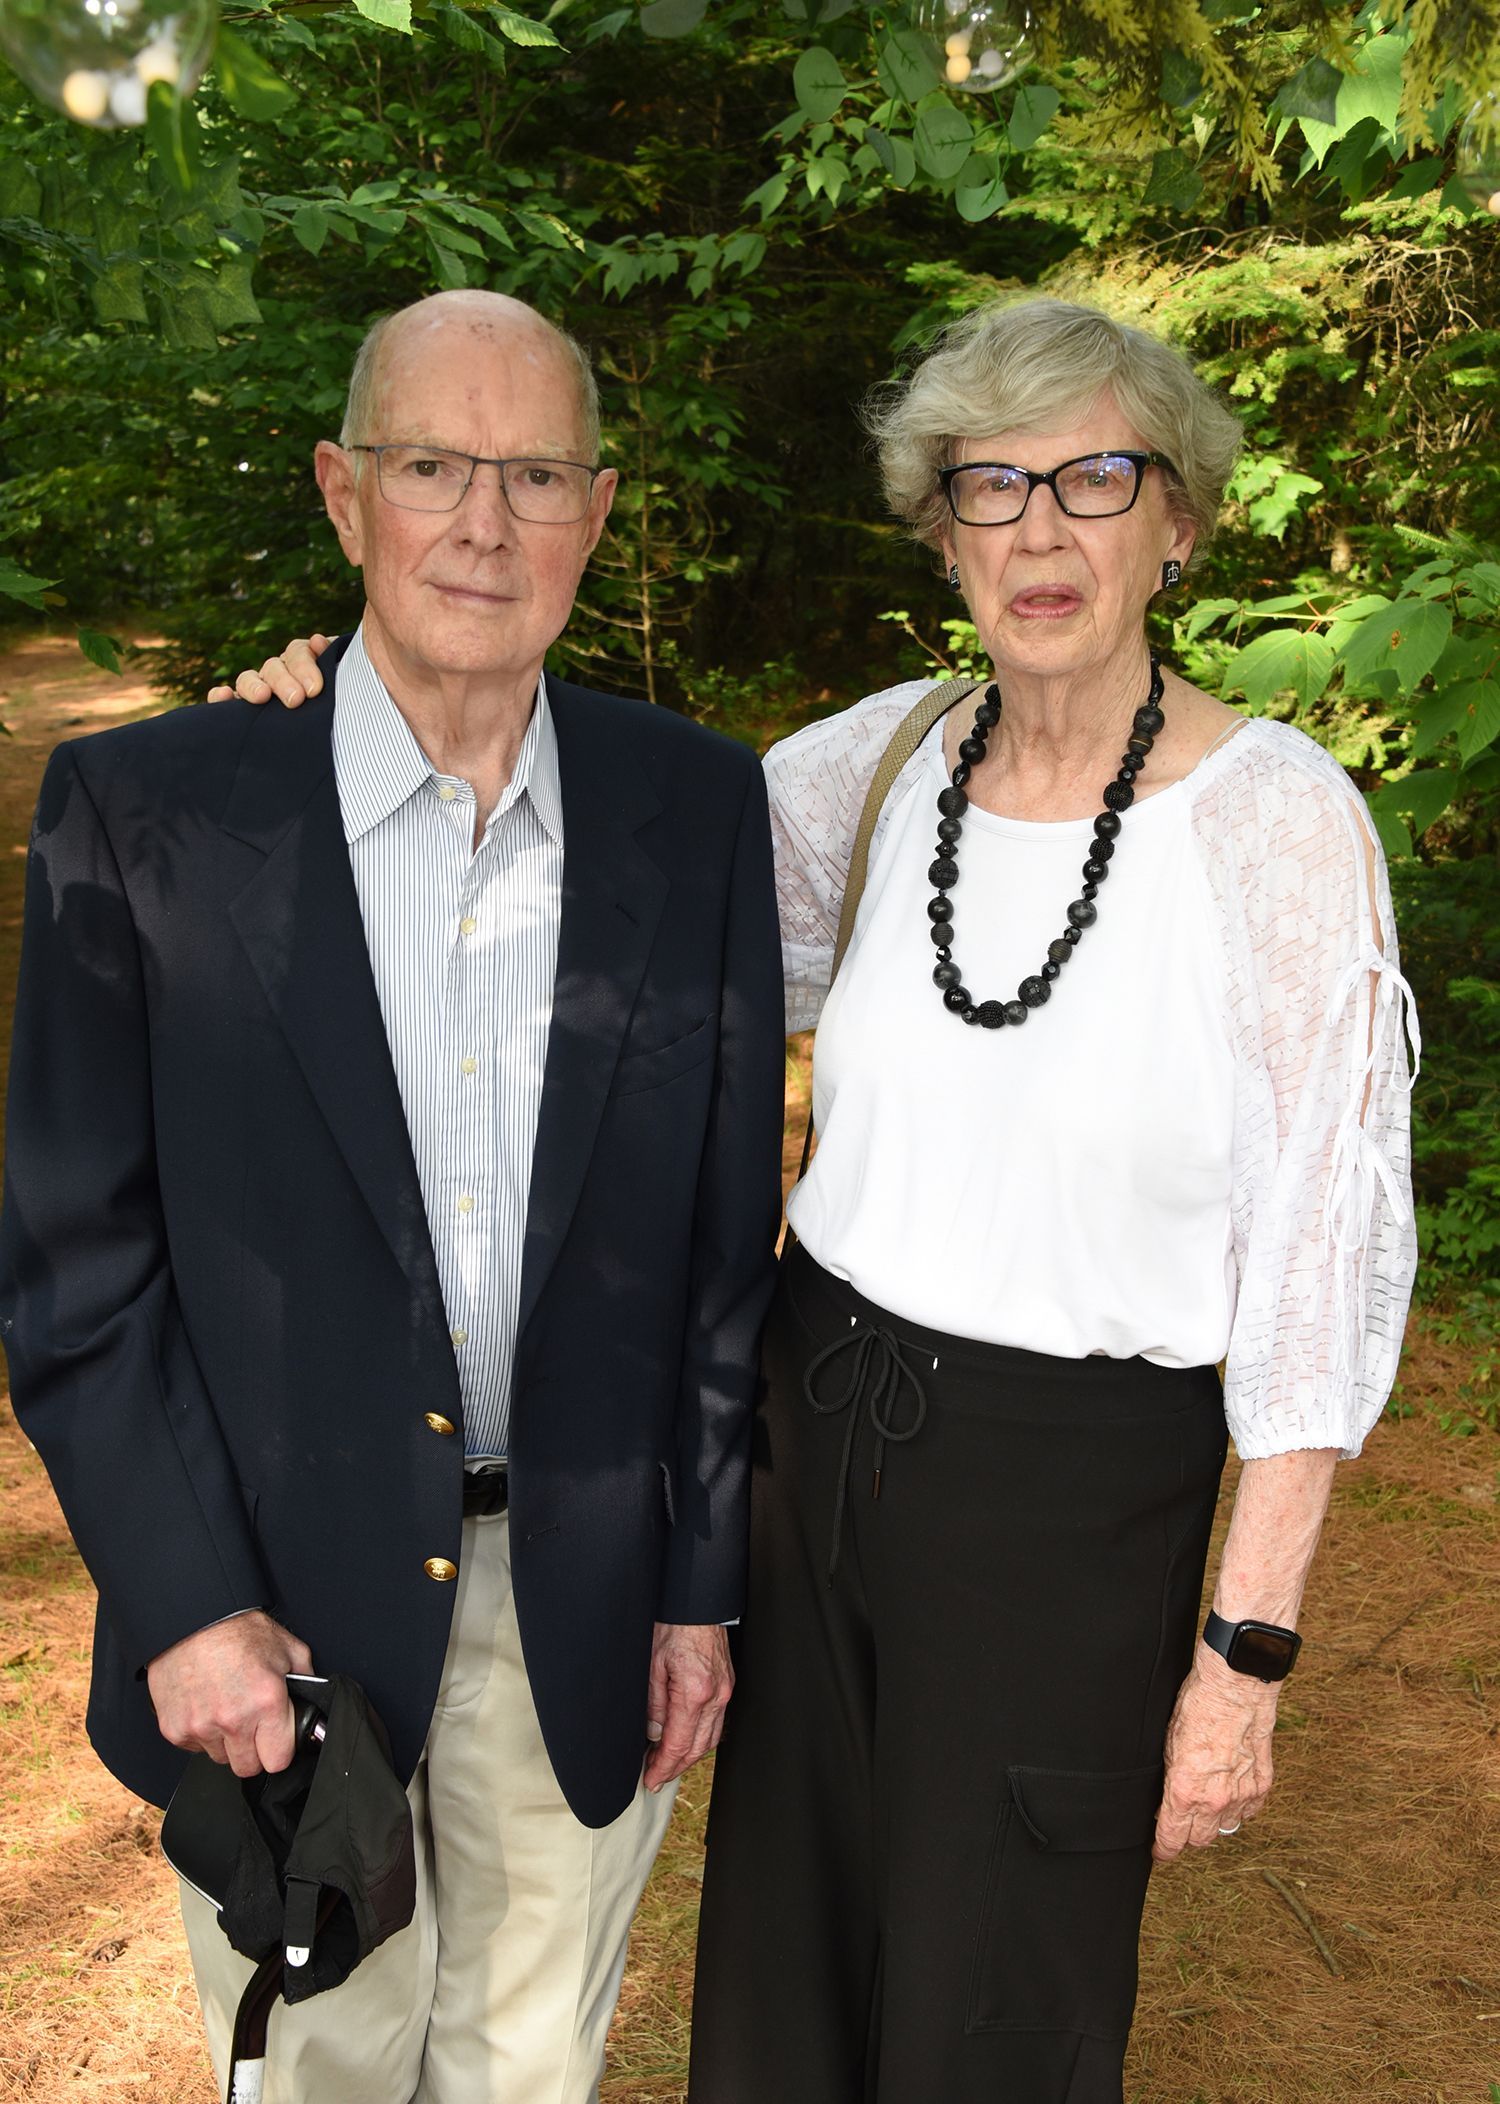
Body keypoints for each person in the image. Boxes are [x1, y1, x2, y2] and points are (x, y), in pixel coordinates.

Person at [226, 296, 1420, 2103]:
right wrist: (337, 716)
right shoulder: (875, 770)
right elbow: (576, 876)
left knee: (992, 2008)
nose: (1040, 530)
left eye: (1096, 480)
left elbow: (1321, 1260)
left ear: (1178, 521)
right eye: (990, 486)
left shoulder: (1277, 827)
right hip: (811, 1459)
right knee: (782, 1989)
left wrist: (1244, 1653)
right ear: (940, 532)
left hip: (1070, 1511)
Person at [0, 288, 785, 2104]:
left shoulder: (696, 809)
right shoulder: (151, 813)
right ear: (345, 494)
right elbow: (74, 1272)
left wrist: (701, 1587)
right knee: (324, 2078)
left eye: (536, 476)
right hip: (276, 1620)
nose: (484, 524)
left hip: (580, 1610)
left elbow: (717, 1256)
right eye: (434, 466)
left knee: (527, 2076)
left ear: (598, 511)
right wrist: (187, 1604)